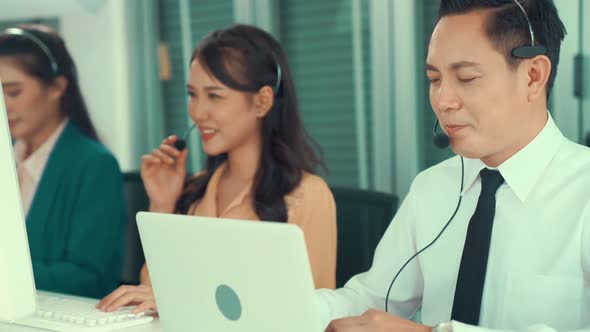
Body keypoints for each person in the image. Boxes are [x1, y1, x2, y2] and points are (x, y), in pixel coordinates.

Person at [317, 0, 590, 331]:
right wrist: (283, 305)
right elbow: (372, 299)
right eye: (434, 79)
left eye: (466, 77)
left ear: (533, 76)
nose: (443, 101)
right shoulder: (432, 187)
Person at [97, 24, 337, 313]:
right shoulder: (195, 190)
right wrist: (163, 203)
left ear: (262, 102)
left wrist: (182, 303)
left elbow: (311, 315)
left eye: (214, 96)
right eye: (192, 94)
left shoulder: (306, 195)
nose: (197, 112)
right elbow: (152, 291)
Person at [0, 25, 127, 298]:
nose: (3, 105)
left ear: (57, 87)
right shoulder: (6, 157)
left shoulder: (94, 164)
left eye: (13, 92)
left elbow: (87, 276)